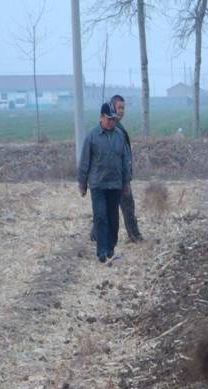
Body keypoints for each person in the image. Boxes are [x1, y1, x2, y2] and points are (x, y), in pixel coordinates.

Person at [79, 102, 131, 263]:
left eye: (113, 119)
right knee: (100, 216)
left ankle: (111, 245)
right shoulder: (92, 137)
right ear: (101, 117)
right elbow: (84, 162)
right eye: (108, 119)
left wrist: (126, 182)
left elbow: (125, 160)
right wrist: (82, 183)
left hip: (115, 184)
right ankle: (101, 250)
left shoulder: (120, 136)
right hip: (98, 185)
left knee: (113, 217)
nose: (111, 122)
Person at [90, 95, 143, 242]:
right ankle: (134, 236)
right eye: (118, 108)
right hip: (115, 177)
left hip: (114, 176)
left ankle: (95, 235)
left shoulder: (117, 128)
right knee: (127, 206)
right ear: (112, 109)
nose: (121, 111)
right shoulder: (112, 130)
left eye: (123, 108)